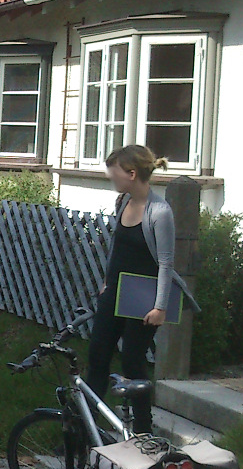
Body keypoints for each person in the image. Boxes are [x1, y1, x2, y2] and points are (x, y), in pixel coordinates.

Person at [86, 145, 201, 434]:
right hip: (114, 292)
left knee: (132, 361)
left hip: (144, 299)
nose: (112, 180)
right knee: (97, 357)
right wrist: (106, 283)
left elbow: (165, 263)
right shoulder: (123, 201)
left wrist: (160, 307)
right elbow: (117, 247)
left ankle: (143, 431)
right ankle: (84, 431)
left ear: (132, 174)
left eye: (115, 175)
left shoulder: (159, 211)